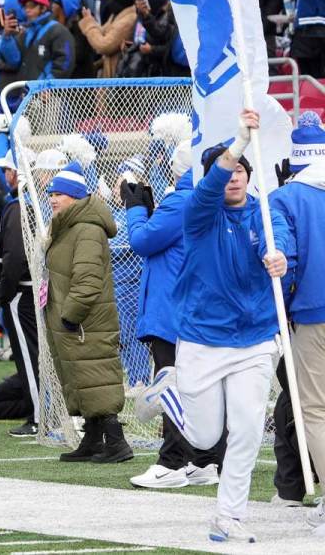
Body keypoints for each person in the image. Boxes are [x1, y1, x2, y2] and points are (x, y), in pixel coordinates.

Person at [136, 108, 291, 543]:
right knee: (204, 439)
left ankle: (229, 515)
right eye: (229, 170)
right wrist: (238, 142)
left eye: (243, 169)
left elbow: (281, 238)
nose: (237, 175)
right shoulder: (198, 214)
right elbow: (208, 191)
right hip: (203, 337)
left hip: (256, 339)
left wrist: (281, 259)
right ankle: (170, 386)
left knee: (245, 430)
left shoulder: (265, 212)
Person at [122, 144, 222, 488]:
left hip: (173, 307)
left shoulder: (183, 199)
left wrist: (135, 210)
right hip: (195, 305)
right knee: (200, 385)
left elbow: (143, 240)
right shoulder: (207, 196)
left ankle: (173, 462)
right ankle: (206, 460)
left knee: (173, 384)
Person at [42, 161, 133, 464]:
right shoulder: (69, 227)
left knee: (95, 378)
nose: (53, 198)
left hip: (85, 321)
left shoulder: (86, 229)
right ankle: (93, 440)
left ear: (76, 197)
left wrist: (71, 314)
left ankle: (117, 443)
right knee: (84, 378)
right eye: (51, 193)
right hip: (75, 321)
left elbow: (88, 279)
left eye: (60, 193)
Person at [271, 117, 325, 533]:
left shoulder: (286, 197)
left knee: (315, 409)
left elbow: (284, 260)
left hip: (313, 312)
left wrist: (283, 307)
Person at [0, 149, 41, 438]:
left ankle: (38, 417)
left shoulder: (19, 206)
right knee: (34, 354)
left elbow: (13, 257)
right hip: (33, 290)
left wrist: (4, 292)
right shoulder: (37, 202)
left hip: (21, 293)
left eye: (8, 170)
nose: (6, 175)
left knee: (27, 355)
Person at [0, 0, 75, 80]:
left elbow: (65, 62)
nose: (27, 10)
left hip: (47, 91)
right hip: (28, 90)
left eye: (32, 6)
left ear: (43, 8)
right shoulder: (25, 32)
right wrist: (7, 37)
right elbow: (14, 61)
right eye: (25, 6)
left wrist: (50, 86)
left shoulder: (58, 30)